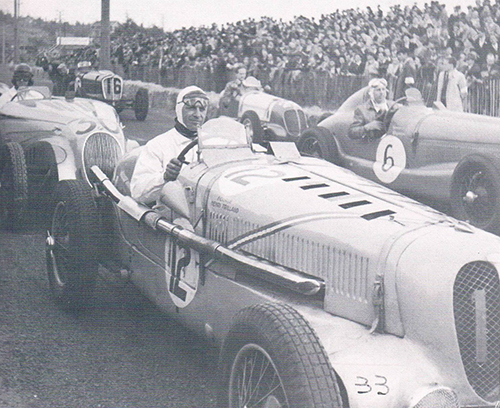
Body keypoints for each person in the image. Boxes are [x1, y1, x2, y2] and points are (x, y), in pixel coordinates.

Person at [130, 86, 209, 204]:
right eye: (191, 108)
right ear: (179, 110)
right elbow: (137, 192)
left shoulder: (214, 145)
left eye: (202, 109)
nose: (197, 115)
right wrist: (165, 177)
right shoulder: (158, 145)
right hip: (171, 215)